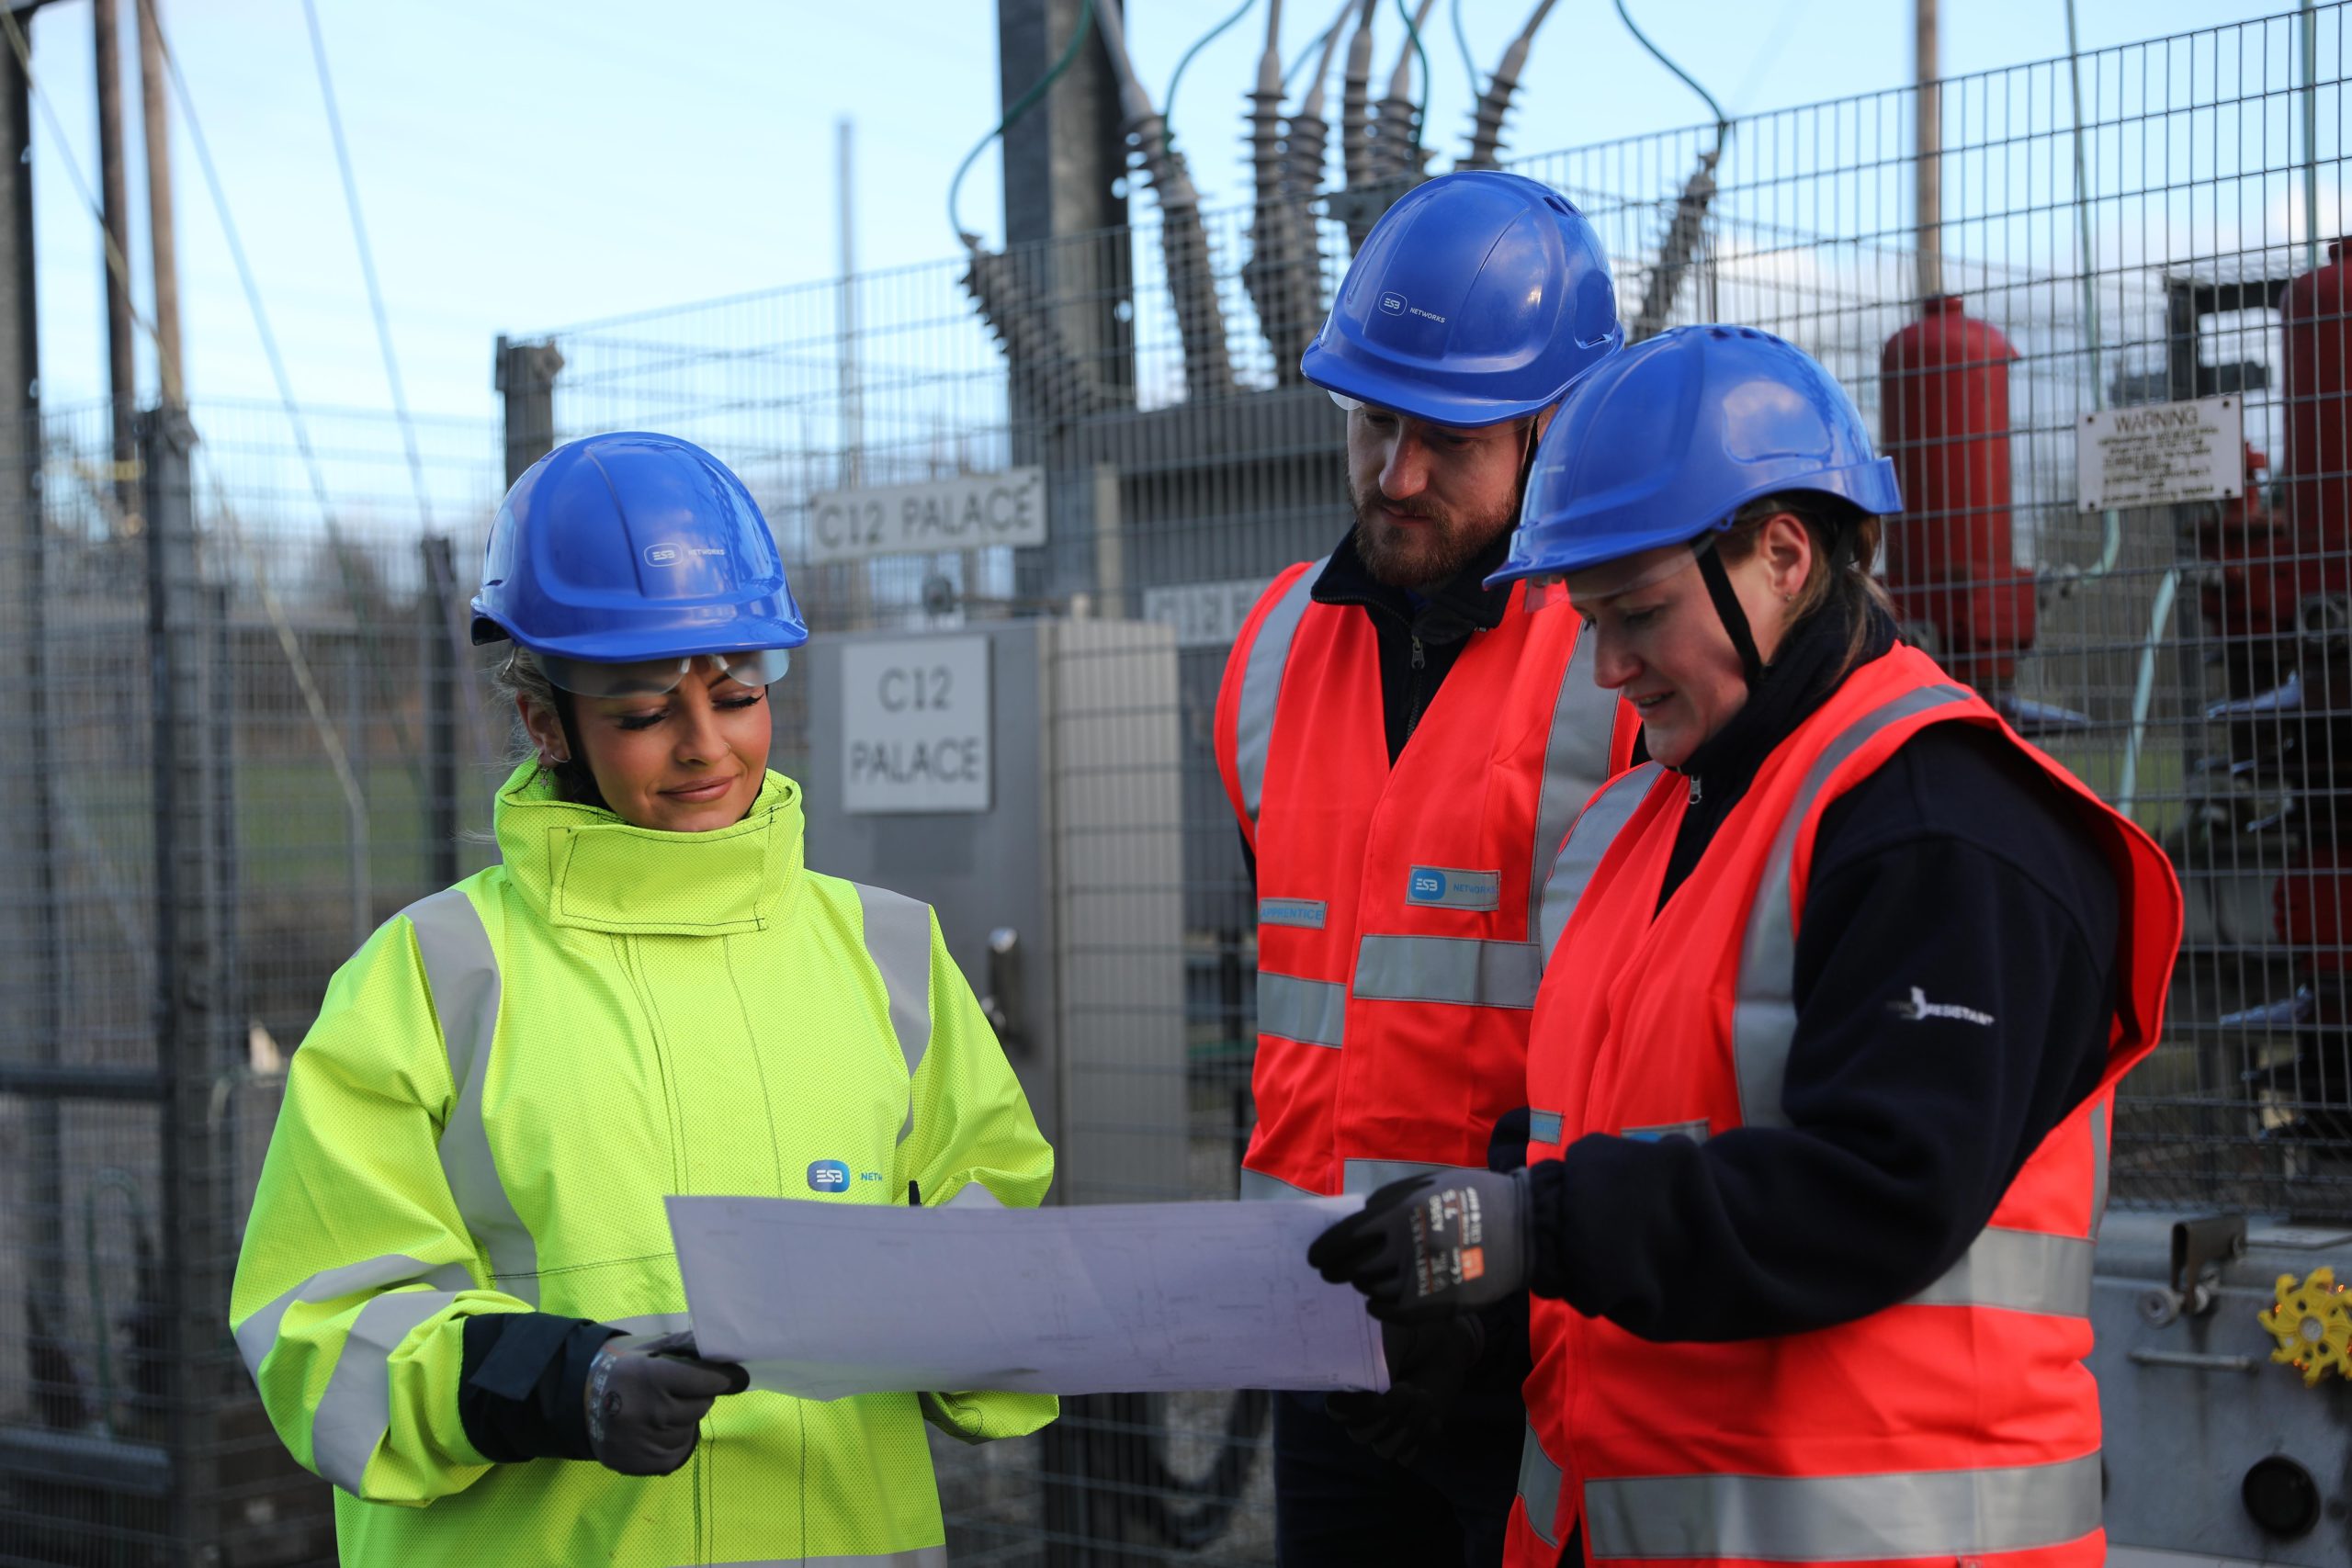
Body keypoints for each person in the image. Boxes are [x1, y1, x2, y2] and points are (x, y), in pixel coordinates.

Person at [1308, 325, 2182, 1567]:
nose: (1607, 666)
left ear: (1781, 555)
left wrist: (1528, 1231)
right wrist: (1482, 1325)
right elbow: (1579, 1138)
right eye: (1588, 618)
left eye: (1639, 614)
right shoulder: (1639, 823)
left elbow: (1877, 1190)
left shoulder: (1945, 829)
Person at [230, 431, 1057, 1567]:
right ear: (545, 722)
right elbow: (320, 1324)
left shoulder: (888, 952)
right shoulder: (428, 978)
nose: (706, 747)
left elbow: (998, 1223)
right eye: (643, 712)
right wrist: (562, 1385)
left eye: (738, 695)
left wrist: (951, 1310)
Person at [1212, 168, 1632, 1565]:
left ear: (1553, 428)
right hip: (1322, 1327)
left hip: (1533, 1342)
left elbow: (1654, 1043)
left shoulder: (1623, 667)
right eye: (1374, 420)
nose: (1395, 475)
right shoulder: (1274, 649)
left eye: (1447, 439)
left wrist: (1494, 1302)